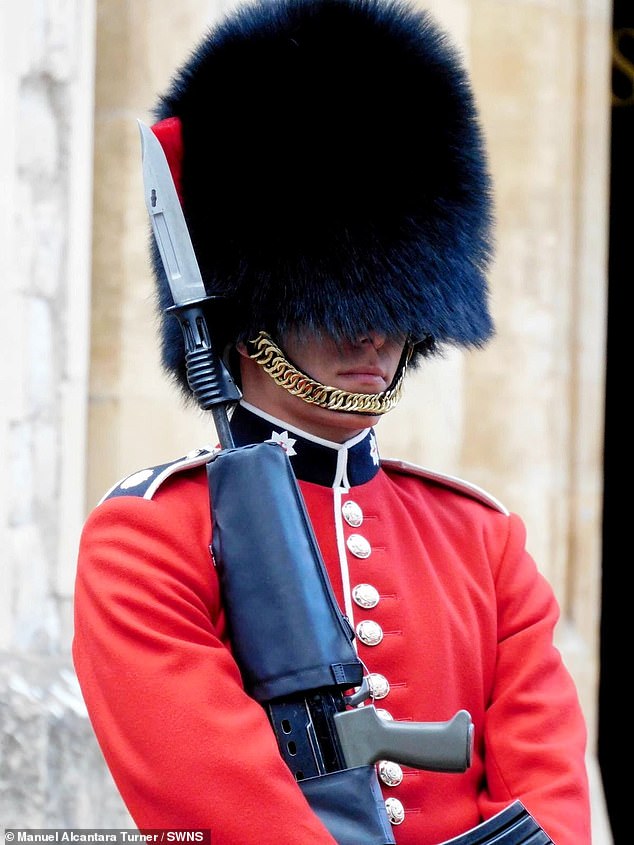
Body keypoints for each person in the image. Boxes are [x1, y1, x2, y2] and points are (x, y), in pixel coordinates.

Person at [72, 0, 591, 843]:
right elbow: (219, 802)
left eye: (395, 301)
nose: (374, 331)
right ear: (255, 312)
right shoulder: (150, 538)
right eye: (339, 301)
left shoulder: (484, 544)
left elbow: (550, 796)